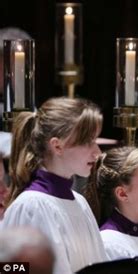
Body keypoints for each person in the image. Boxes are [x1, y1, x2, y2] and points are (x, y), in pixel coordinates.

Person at [0, 97, 106, 274]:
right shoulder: (31, 205)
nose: (97, 152)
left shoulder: (79, 202)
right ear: (57, 146)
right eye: (88, 142)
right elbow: (13, 270)